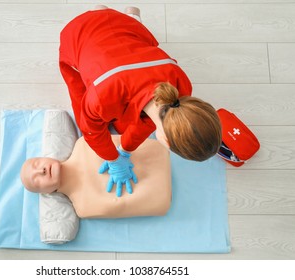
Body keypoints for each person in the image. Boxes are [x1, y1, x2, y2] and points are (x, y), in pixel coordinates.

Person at [59, 6, 222, 197]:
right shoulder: (102, 97)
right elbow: (92, 132)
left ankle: (114, 13)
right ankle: (101, 11)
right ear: (166, 142)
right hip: (79, 32)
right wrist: (112, 158)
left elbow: (146, 123)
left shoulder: (182, 85)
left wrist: (126, 150)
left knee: (123, 127)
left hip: (123, 29)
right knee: (84, 115)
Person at [20, 135, 171, 218]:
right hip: (160, 197)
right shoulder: (83, 208)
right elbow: (128, 206)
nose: (41, 171)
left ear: (46, 157)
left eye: (37, 163)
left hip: (161, 151)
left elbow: (126, 142)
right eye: (37, 180)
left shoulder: (84, 143)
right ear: (46, 193)